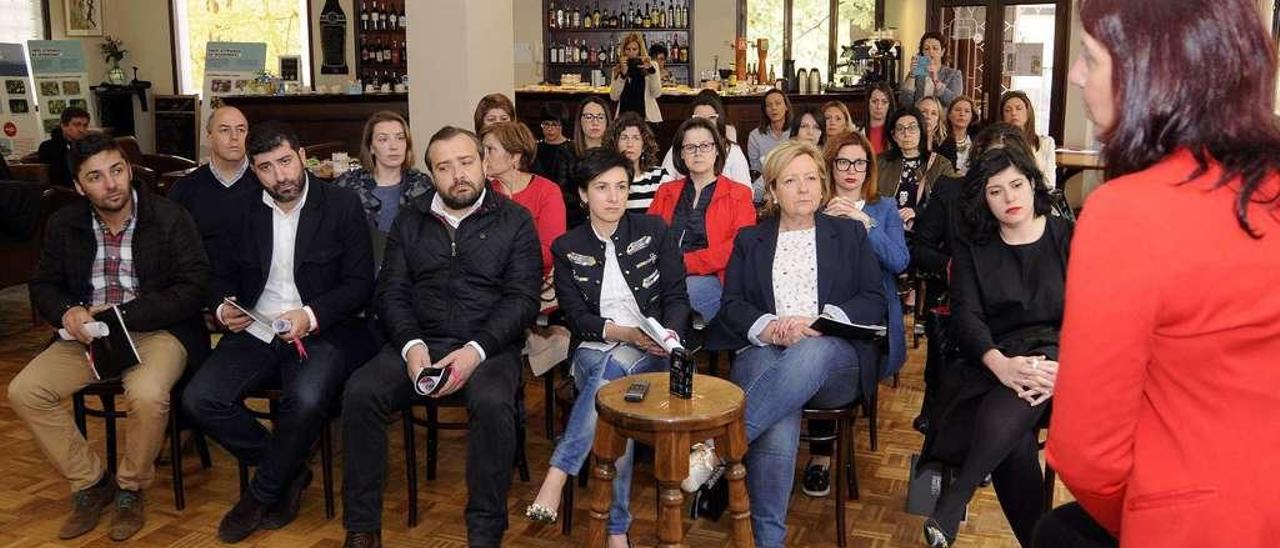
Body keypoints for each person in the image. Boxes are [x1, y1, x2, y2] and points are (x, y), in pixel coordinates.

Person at [1041, 1, 1280, 546]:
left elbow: (1086, 453)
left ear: (1153, 69)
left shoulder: (1128, 214)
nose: (1076, 75)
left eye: (1090, 58)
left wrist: (1151, 512)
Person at [339, 126, 542, 548]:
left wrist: (474, 352)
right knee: (360, 392)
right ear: (431, 173)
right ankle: (362, 527)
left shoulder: (515, 220)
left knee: (491, 402)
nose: (458, 175)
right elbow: (390, 291)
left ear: (484, 164)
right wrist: (412, 348)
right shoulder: (410, 219)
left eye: (466, 162)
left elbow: (522, 300)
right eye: (444, 167)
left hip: (488, 345)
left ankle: (484, 531)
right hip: (419, 340)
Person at [182, 122, 377, 544]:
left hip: (323, 330)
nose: (280, 176)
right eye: (266, 168)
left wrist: (311, 314)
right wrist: (221, 307)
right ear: (254, 171)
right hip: (256, 327)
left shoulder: (340, 205)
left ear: (302, 156)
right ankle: (290, 471)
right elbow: (218, 277)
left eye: (286, 162)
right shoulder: (242, 211)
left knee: (305, 401)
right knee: (200, 399)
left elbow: (361, 283)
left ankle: (262, 493)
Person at [9, 132, 209, 542]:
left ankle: (129, 489)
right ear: (80, 186)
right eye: (96, 177)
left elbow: (192, 286)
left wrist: (123, 314)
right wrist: (68, 312)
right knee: (24, 391)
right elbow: (43, 283)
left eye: (117, 170)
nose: (112, 183)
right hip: (89, 335)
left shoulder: (169, 216)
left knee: (148, 395)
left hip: (156, 330)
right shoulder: (65, 223)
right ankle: (90, 481)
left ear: (129, 170)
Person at [707, 141, 885, 547]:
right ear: (772, 190)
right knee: (779, 403)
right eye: (791, 180)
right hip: (768, 352)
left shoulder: (849, 233)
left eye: (811, 178)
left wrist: (820, 323)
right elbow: (732, 305)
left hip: (835, 358)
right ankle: (769, 539)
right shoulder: (751, 239)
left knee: (809, 352)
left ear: (823, 185)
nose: (803, 188)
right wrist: (769, 328)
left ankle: (720, 448)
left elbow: (873, 301)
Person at [523, 149, 690, 548]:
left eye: (621, 187)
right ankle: (616, 529)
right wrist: (625, 333)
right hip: (593, 349)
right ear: (583, 194)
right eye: (602, 188)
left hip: (654, 352)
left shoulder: (653, 230)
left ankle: (563, 479)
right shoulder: (567, 246)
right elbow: (576, 318)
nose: (614, 197)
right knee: (610, 372)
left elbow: (677, 297)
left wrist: (667, 336)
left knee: (613, 400)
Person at [919, 145, 1070, 548]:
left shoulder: (1066, 235)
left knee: (1034, 373)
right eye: (995, 191)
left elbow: (1092, 314)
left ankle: (956, 497)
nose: (1009, 198)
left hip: (1064, 364)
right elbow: (966, 317)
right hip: (994, 359)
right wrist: (999, 363)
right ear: (983, 199)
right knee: (1013, 441)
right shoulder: (974, 245)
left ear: (1033, 183)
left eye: (1016, 185)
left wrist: (1068, 367)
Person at [800, 132, 909, 497]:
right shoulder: (815, 204)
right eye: (843, 162)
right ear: (830, 167)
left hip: (872, 319)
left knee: (823, 355)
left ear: (869, 168)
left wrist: (863, 221)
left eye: (859, 163)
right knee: (814, 348)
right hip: (822, 310)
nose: (851, 170)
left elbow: (899, 261)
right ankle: (821, 455)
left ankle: (821, 456)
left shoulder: (885, 207)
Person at [909, 122, 1030, 434]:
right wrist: (954, 268)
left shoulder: (1030, 205)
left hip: (1015, 315)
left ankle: (996, 437)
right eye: (993, 159)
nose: (1001, 170)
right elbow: (920, 248)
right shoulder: (951, 191)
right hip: (960, 308)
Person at [647, 117, 756, 322]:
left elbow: (736, 248)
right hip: (662, 275)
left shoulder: (739, 194)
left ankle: (666, 342)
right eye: (690, 147)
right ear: (681, 154)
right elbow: (649, 238)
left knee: (678, 296)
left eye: (705, 145)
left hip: (713, 278)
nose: (698, 152)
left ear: (717, 150)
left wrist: (682, 264)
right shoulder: (666, 191)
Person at [333, 110, 433, 265]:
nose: (394, 146)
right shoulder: (348, 185)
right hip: (358, 272)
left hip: (410, 274)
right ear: (371, 147)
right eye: (383, 139)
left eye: (400, 138)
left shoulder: (421, 185)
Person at [168, 105, 261, 269]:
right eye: (225, 130)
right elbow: (172, 249)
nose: (234, 137)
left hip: (258, 284)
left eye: (241, 130)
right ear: (209, 137)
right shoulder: (185, 188)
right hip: (204, 284)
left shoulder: (265, 181)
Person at [480, 121, 567, 279]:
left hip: (536, 285)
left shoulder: (547, 191)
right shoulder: (483, 192)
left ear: (514, 156)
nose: (483, 157)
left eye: (490, 150)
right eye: (482, 149)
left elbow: (550, 251)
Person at [877, 107, 956, 233]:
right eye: (900, 128)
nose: (906, 133)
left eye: (912, 128)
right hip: (886, 229)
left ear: (921, 131)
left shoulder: (940, 164)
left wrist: (917, 212)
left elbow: (951, 200)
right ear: (894, 135)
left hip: (927, 233)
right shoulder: (880, 162)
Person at [659, 91, 752, 187]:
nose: (705, 122)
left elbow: (746, 190)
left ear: (719, 120)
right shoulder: (679, 147)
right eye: (698, 118)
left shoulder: (733, 150)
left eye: (711, 117)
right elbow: (663, 185)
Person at [610, 112, 667, 212]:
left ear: (644, 146)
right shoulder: (607, 177)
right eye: (624, 137)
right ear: (615, 144)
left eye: (636, 138)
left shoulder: (659, 177)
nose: (630, 144)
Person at [1000, 90, 1057, 189]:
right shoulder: (998, 143)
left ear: (1028, 111)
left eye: (1019, 108)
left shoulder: (1046, 143)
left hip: (1038, 198)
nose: (1013, 113)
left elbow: (1049, 183)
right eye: (1008, 110)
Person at [746, 89, 792, 198]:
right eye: (769, 105)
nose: (774, 108)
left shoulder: (796, 131)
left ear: (786, 107)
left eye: (778, 103)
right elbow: (755, 170)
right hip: (765, 187)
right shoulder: (755, 136)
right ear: (765, 110)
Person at [898, 31, 964, 108]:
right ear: (922, 52)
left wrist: (936, 81)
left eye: (935, 48)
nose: (930, 52)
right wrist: (912, 76)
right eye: (926, 49)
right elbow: (904, 103)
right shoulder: (917, 73)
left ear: (942, 52)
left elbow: (955, 103)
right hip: (919, 117)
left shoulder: (954, 74)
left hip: (942, 119)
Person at [609, 32, 663, 123]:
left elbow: (656, 93)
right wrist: (622, 75)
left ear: (640, 50)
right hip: (624, 117)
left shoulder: (652, 66)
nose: (631, 53)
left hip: (647, 119)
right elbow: (614, 97)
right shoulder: (617, 69)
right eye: (628, 49)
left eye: (634, 49)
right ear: (623, 51)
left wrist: (651, 71)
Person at [37, 106, 92, 187]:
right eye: (77, 125)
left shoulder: (89, 145)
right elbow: (56, 179)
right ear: (63, 126)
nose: (82, 130)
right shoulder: (48, 147)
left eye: (85, 125)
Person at [531, 101, 576, 193]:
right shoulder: (535, 148)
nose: (550, 129)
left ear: (562, 125)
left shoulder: (572, 149)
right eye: (546, 124)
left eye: (555, 124)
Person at [935, 96, 979, 175]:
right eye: (957, 110)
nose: (962, 114)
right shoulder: (940, 140)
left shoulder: (978, 140)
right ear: (949, 115)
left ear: (972, 117)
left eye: (967, 111)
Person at [863, 83, 896, 154]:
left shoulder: (896, 133)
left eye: (884, 102)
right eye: (874, 101)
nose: (879, 107)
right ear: (868, 103)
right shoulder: (858, 132)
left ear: (889, 106)